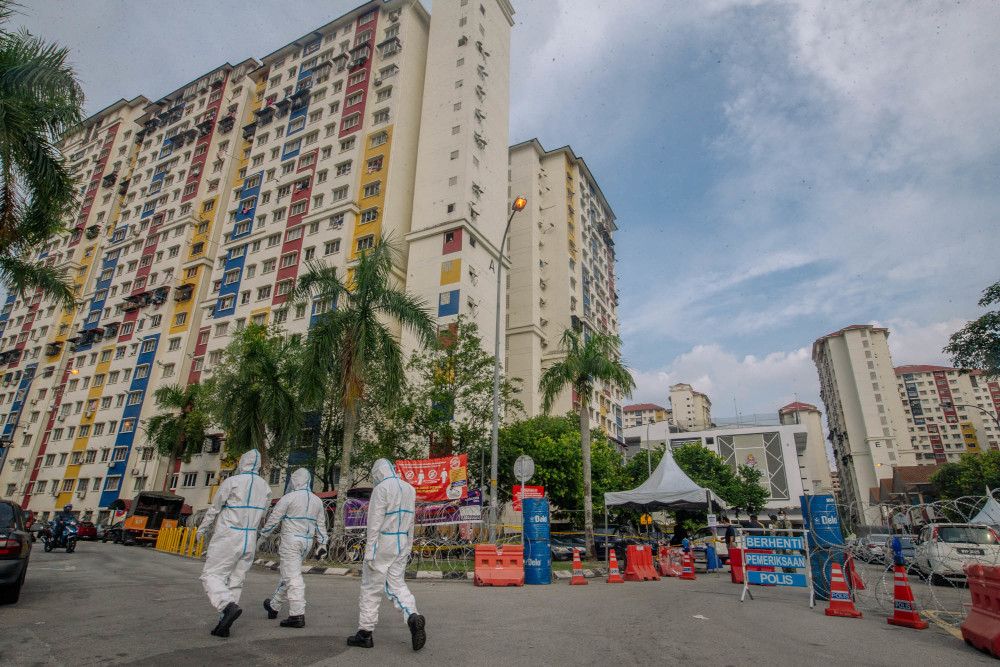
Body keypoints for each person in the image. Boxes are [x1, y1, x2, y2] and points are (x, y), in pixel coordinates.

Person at [347, 459, 426, 652]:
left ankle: (365, 633)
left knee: (371, 587)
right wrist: (408, 546)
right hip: (400, 542)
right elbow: (411, 521)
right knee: (397, 584)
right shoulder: (409, 489)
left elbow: (374, 522)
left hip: (383, 542)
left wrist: (369, 552)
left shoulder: (381, 489)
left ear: (378, 473)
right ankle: (412, 615)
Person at [196, 449, 272, 638]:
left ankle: (226, 606)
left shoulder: (232, 482)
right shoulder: (265, 487)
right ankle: (224, 623)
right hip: (249, 538)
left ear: (242, 462)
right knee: (236, 581)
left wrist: (202, 528)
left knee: (211, 575)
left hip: (229, 534)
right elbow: (263, 513)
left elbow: (214, 508)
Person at [260, 468, 328, 628]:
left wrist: (263, 536)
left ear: (296, 480)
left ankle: (297, 614)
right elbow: (321, 525)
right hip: (307, 543)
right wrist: (323, 544)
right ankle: (274, 605)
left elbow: (274, 519)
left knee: (293, 577)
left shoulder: (289, 498)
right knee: (291, 573)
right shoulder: (316, 500)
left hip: (291, 540)